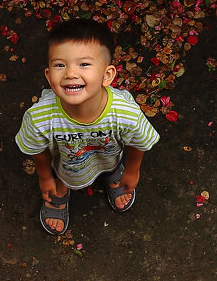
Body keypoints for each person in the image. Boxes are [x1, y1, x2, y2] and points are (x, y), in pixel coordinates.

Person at [15, 18, 160, 235]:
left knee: (111, 164)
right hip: (66, 165)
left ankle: (113, 175)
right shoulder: (39, 117)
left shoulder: (126, 113)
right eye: (60, 65)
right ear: (49, 75)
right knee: (63, 175)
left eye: (84, 64)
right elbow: (38, 151)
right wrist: (45, 177)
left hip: (109, 156)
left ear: (107, 75)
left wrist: (131, 170)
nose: (70, 73)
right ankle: (62, 186)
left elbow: (137, 143)